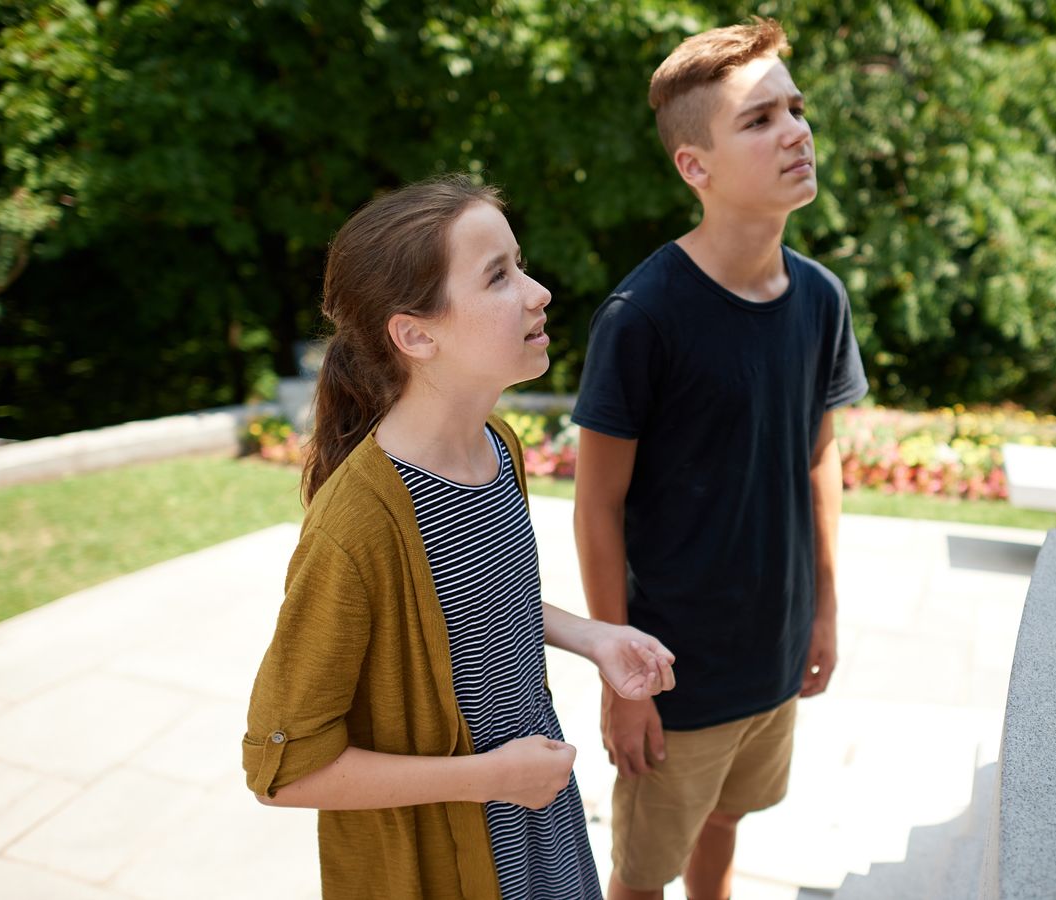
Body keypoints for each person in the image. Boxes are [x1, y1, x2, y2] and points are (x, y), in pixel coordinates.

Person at [242, 175, 676, 900]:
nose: (536, 292)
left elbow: (472, 606)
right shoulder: (357, 526)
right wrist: (489, 777)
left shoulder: (496, 447)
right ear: (415, 334)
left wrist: (593, 637)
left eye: (520, 263)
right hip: (447, 858)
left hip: (538, 821)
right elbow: (281, 771)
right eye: (498, 277)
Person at [570, 18, 869, 900]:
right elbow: (596, 506)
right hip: (673, 670)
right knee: (640, 873)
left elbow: (819, 457)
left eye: (795, 109)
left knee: (728, 820)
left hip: (773, 652)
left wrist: (821, 613)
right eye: (759, 120)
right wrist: (624, 681)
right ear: (693, 166)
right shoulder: (642, 316)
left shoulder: (820, 297)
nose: (795, 132)